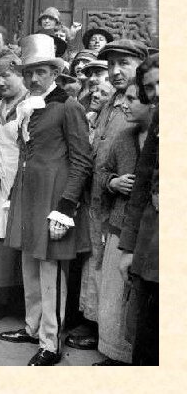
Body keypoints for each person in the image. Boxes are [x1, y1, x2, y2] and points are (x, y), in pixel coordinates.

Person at [0, 34, 92, 366]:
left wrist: (66, 209)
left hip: (54, 197)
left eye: (41, 72)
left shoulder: (68, 106)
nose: (34, 79)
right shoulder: (30, 106)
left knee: (51, 268)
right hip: (28, 195)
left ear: (54, 72)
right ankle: (33, 326)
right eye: (29, 73)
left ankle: (51, 343)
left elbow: (82, 160)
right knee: (30, 263)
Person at [70, 38, 147, 351]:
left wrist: (116, 182)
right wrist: (107, 181)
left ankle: (118, 341)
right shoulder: (111, 101)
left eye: (123, 64)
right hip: (100, 197)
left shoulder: (145, 105)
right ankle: (100, 329)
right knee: (97, 266)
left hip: (127, 209)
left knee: (119, 273)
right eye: (111, 64)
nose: (116, 71)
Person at [92, 80, 152, 365]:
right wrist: (113, 182)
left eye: (132, 99)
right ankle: (115, 355)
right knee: (114, 294)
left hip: (151, 232)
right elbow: (102, 173)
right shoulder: (124, 137)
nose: (124, 104)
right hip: (120, 224)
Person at [118, 54, 158, 365]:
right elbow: (142, 185)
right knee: (147, 337)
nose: (156, 91)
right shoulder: (159, 122)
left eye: (161, 82)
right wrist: (128, 248)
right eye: (149, 86)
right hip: (152, 244)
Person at [0, 54, 29, 320]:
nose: (1, 81)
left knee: (21, 238)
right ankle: (0, 297)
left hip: (24, 177)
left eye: (7, 76)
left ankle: (20, 299)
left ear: (21, 76)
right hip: (0, 175)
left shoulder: (30, 105)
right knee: (0, 238)